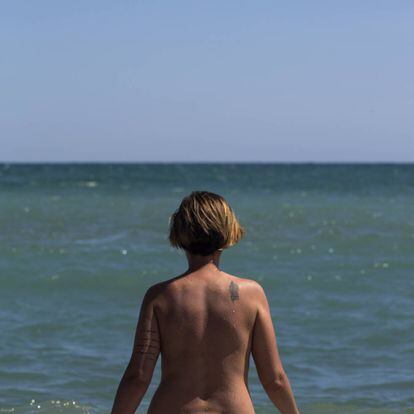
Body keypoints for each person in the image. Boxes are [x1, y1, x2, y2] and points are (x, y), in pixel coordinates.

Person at [111, 191, 300, 414]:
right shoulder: (252, 294)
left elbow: (138, 376)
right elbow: (274, 379)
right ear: (228, 232)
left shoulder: (160, 297)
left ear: (179, 235)